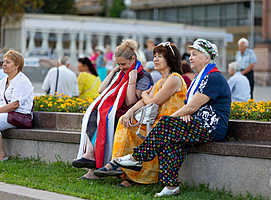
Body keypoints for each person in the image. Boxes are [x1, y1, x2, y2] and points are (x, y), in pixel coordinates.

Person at [114, 39, 231, 197]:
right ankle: (171, 186)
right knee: (170, 139)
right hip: (198, 124)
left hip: (211, 128)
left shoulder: (214, 78)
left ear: (207, 58)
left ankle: (137, 158)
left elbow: (192, 106)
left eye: (195, 54)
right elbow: (192, 106)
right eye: (190, 54)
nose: (190, 57)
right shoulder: (202, 77)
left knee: (166, 125)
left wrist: (173, 119)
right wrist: (186, 114)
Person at [95, 42, 187, 187]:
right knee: (124, 122)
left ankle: (131, 173)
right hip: (156, 121)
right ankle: (122, 169)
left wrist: (144, 94)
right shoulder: (160, 81)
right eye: (155, 56)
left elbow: (153, 102)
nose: (155, 59)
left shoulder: (174, 78)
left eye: (160, 56)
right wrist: (129, 112)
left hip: (168, 124)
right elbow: (143, 102)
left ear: (170, 59)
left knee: (137, 131)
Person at [72, 39, 153, 180]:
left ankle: (92, 161)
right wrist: (114, 71)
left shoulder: (143, 76)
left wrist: (132, 81)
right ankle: (90, 156)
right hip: (114, 111)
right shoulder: (119, 72)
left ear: (133, 58)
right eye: (118, 64)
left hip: (129, 112)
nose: (121, 67)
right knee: (94, 114)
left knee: (103, 117)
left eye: (123, 64)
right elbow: (101, 90)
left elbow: (130, 101)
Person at [0, 50, 34, 161]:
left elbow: (15, 105)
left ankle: (2, 155)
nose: (4, 64)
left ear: (17, 65)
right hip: (7, 115)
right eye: (3, 61)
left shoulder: (22, 80)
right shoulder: (3, 80)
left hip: (21, 117)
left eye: (8, 62)